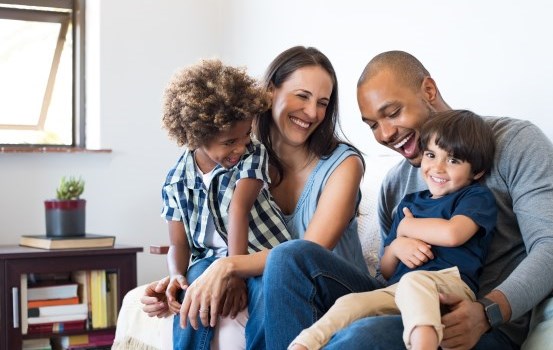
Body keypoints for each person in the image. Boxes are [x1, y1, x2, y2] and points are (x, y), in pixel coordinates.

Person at [263, 50, 553, 350]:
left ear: (428, 90)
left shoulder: (515, 142)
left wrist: (487, 312)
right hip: (399, 300)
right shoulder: (395, 184)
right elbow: (387, 273)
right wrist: (396, 247)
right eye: (372, 124)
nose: (384, 134)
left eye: (393, 113)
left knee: (361, 337)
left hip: (473, 324)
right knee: (289, 257)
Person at [141, 46, 368, 350]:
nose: (312, 112)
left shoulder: (342, 164)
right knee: (198, 287)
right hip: (275, 284)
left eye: (323, 103)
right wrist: (177, 279)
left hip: (332, 289)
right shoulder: (236, 155)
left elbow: (304, 256)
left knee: (281, 267)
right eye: (302, 96)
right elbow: (205, 235)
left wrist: (228, 266)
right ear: (270, 91)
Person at [289, 110, 497, 350]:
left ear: (477, 172)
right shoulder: (409, 203)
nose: (438, 168)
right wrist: (397, 246)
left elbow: (453, 234)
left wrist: (408, 227)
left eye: (453, 160)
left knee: (414, 282)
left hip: (449, 285)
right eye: (431, 155)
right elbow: (386, 270)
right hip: (398, 289)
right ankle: (302, 345)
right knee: (351, 303)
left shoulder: (474, 196)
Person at [159, 59, 292, 349]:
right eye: (230, 141)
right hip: (208, 260)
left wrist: (234, 272)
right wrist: (176, 276)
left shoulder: (253, 155)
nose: (241, 147)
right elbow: (178, 245)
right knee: (193, 288)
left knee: (265, 292)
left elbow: (238, 209)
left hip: (259, 253)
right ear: (198, 136)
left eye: (246, 135)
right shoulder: (175, 180)